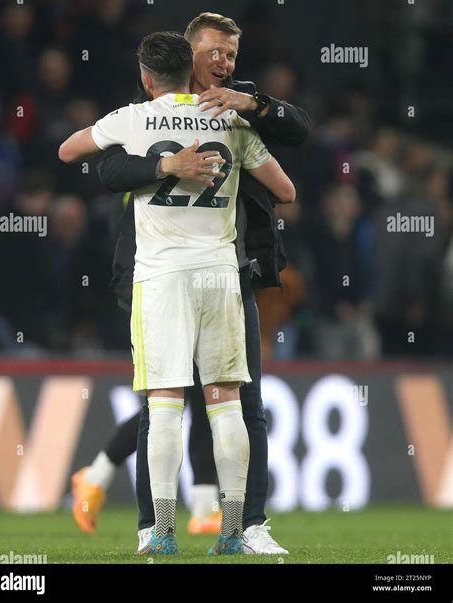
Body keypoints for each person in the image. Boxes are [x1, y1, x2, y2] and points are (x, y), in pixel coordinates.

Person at [71, 12, 310, 555]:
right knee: (183, 399)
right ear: (188, 52)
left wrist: (253, 104)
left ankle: (240, 524)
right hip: (156, 267)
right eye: (214, 53)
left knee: (221, 400)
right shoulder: (159, 111)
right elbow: (109, 174)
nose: (224, 63)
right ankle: (173, 520)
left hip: (228, 268)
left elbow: (299, 128)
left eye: (231, 53)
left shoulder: (238, 107)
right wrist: (168, 165)